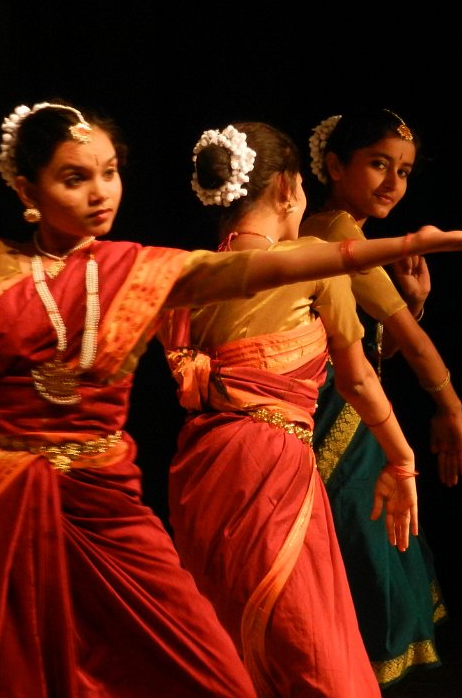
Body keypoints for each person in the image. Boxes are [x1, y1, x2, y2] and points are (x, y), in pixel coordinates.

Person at [0, 100, 462, 698]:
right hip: (6, 490)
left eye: (110, 173)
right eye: (75, 178)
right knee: (10, 667)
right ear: (27, 188)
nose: (100, 192)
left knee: (209, 669)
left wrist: (401, 245)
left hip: (108, 498)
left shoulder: (140, 269)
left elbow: (272, 267)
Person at [162, 121, 425, 697]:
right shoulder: (312, 259)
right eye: (302, 185)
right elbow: (358, 379)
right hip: (269, 468)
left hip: (199, 473)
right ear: (286, 187)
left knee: (229, 642)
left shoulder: (185, 272)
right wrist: (402, 460)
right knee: (310, 647)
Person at [300, 108, 462, 688]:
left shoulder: (344, 230)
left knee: (372, 543)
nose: (393, 183)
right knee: (365, 547)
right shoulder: (336, 231)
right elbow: (408, 340)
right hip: (334, 417)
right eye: (379, 164)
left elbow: (370, 347)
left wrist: (413, 301)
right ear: (335, 166)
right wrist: (451, 409)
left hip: (352, 411)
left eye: (403, 171)